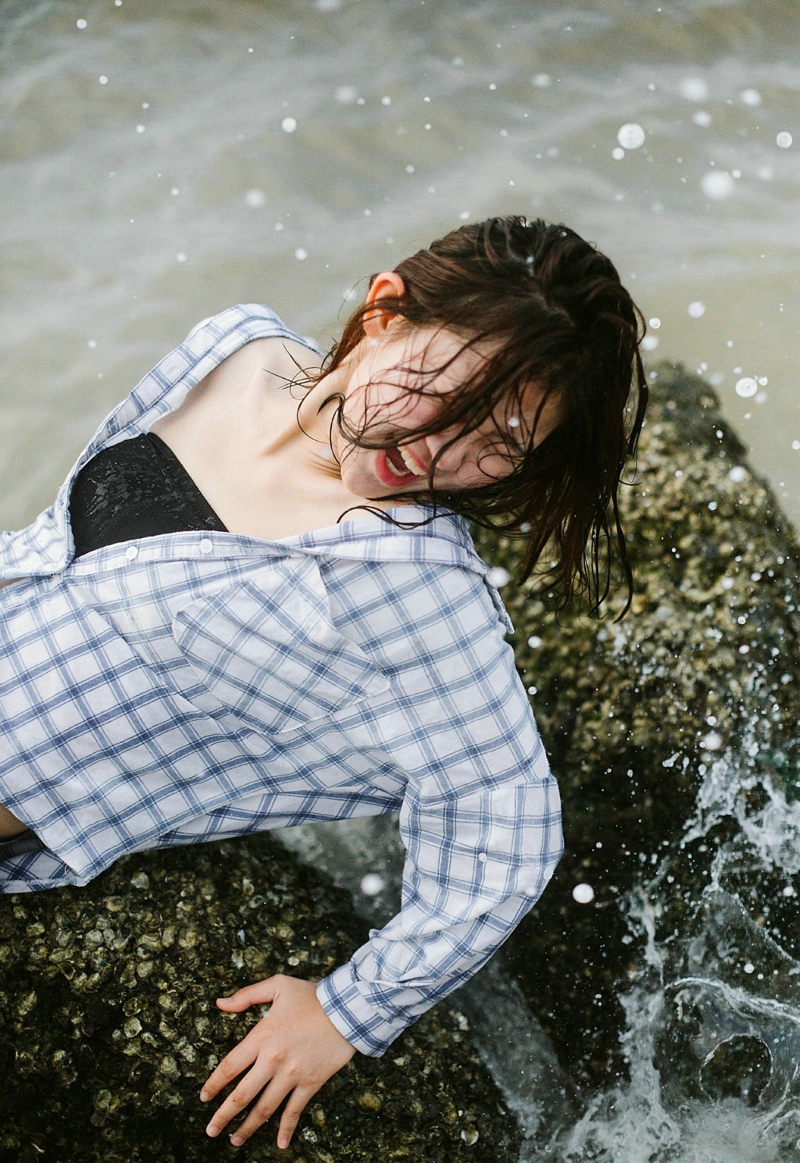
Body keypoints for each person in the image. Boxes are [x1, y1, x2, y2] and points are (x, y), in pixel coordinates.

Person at [0, 216, 647, 1149]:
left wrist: (350, 1010)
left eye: (497, 444)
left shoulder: (413, 586)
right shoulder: (236, 347)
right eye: (437, 390)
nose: (434, 450)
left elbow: (509, 828)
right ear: (385, 311)